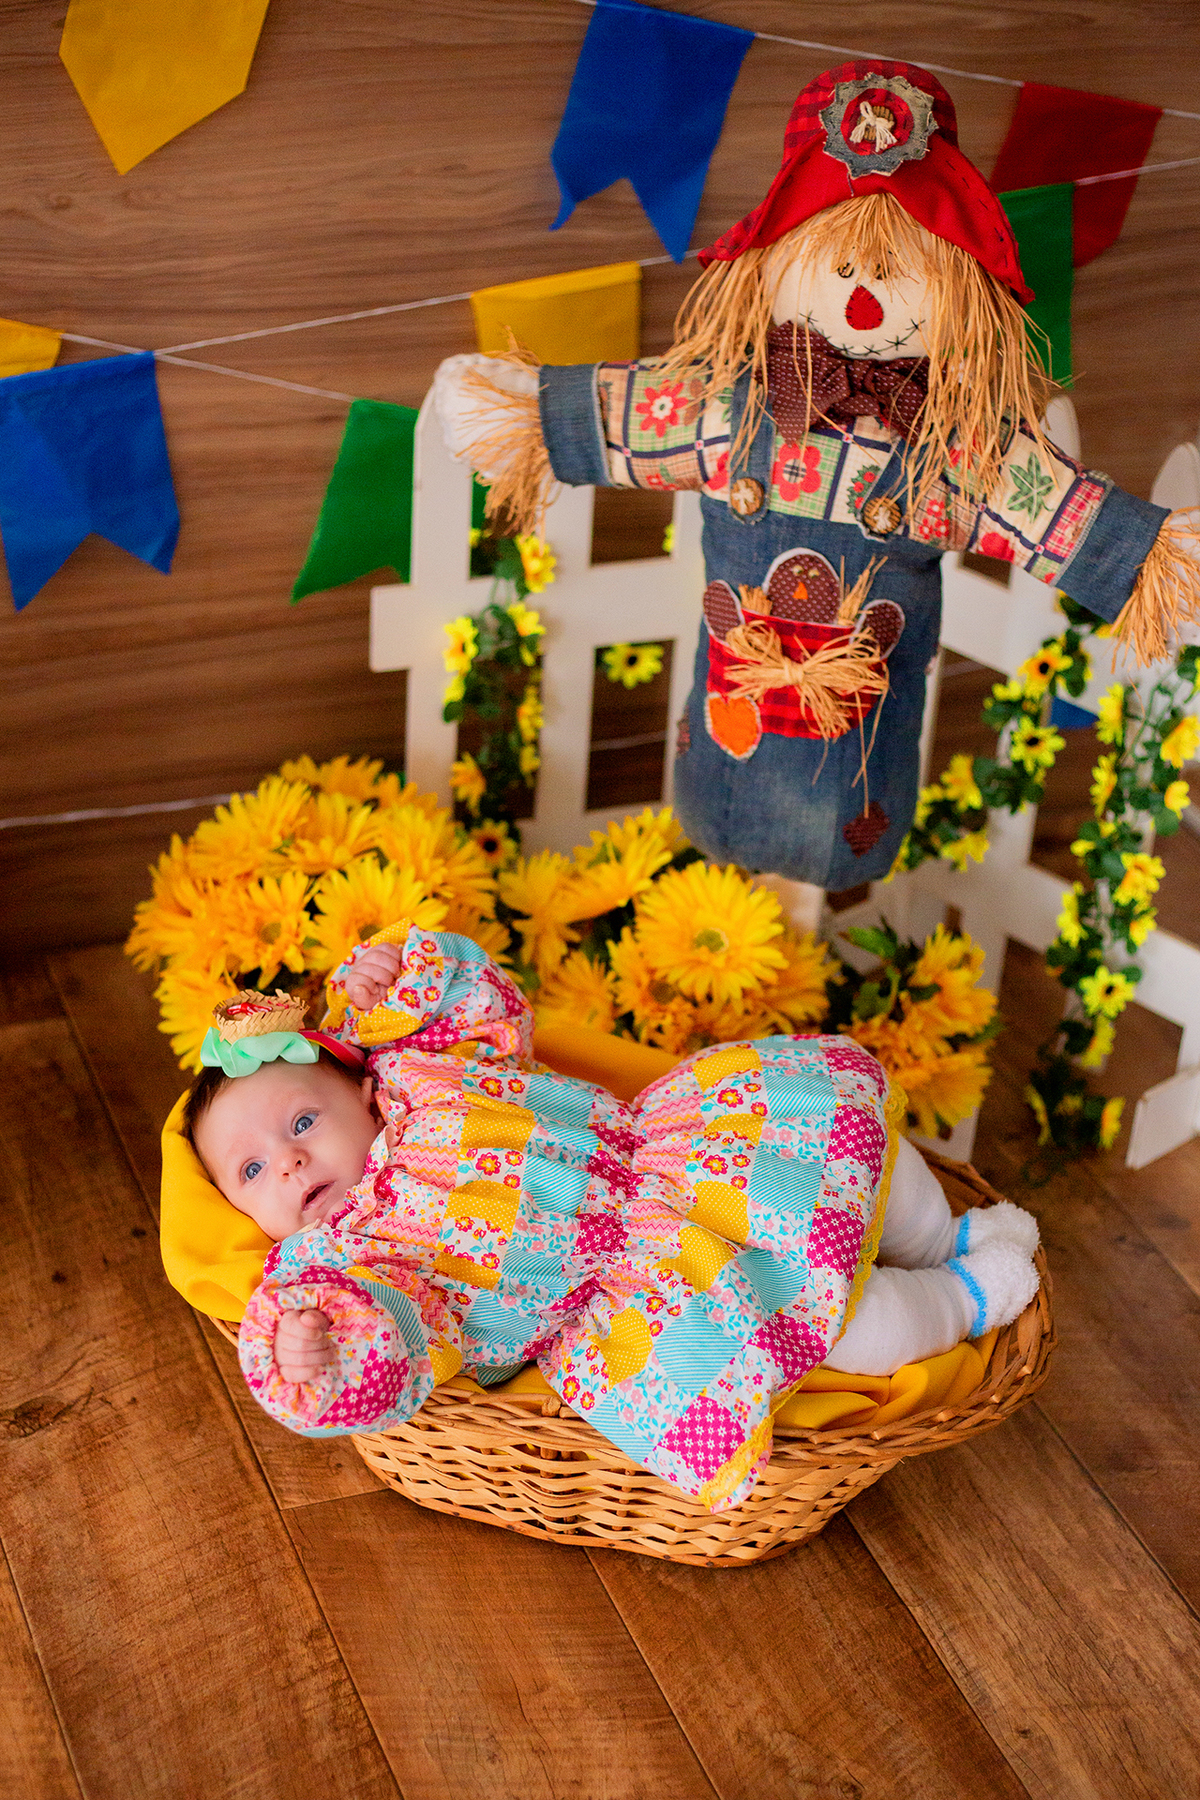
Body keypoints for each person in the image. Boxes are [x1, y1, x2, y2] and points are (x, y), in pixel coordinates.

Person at [432, 57, 1200, 898]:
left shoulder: (953, 447)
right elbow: (625, 417)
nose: (864, 297)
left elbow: (1051, 513)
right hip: (725, 739)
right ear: (774, 266)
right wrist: (527, 414)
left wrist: (1158, 554)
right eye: (837, 267)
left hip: (859, 777)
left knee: (849, 822)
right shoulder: (730, 410)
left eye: (895, 271)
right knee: (720, 788)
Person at [182, 919, 1039, 1511]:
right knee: (843, 1335)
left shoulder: (416, 1072)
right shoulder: (341, 1266)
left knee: (839, 1130)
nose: (289, 1161)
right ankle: (966, 1295)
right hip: (632, 1303)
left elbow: (487, 1014)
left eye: (302, 1123)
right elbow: (397, 1349)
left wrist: (396, 985)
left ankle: (939, 1236)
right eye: (253, 1169)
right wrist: (312, 1349)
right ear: (235, 1206)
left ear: (364, 1090)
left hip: (670, 1150)